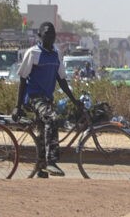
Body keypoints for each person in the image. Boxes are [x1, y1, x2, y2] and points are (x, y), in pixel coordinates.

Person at [14, 22, 83, 178]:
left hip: (47, 98)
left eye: (52, 35)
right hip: (34, 97)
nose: (50, 37)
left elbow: (62, 80)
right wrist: (17, 106)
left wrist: (74, 100)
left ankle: (41, 168)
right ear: (40, 35)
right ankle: (51, 161)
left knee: (42, 133)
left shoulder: (56, 54)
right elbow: (23, 80)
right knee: (52, 119)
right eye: (46, 34)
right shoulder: (32, 53)